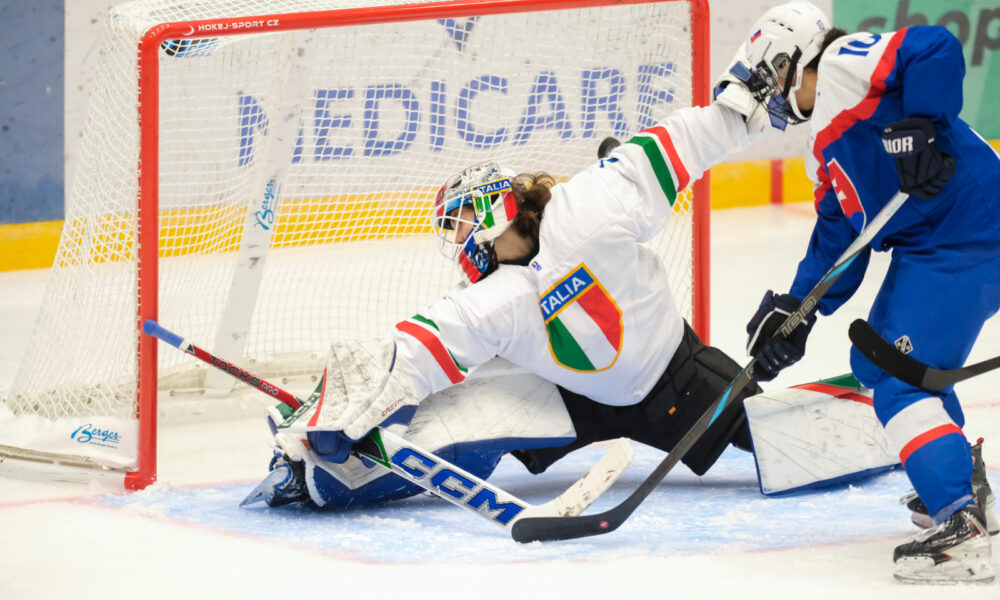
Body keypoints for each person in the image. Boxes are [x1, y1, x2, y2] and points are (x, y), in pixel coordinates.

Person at [240, 95, 781, 513]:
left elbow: (678, 143)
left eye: (459, 225)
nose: (457, 242)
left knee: (775, 437)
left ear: (493, 209)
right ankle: (307, 476)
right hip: (572, 396)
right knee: (449, 432)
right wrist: (339, 413)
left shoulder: (589, 208)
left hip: (675, 376)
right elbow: (415, 351)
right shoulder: (489, 301)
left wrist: (747, 104)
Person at [729, 0, 1000, 584]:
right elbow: (840, 238)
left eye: (772, 74)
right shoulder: (822, 150)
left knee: (901, 380)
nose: (770, 92)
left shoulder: (843, 64)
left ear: (793, 60)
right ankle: (965, 485)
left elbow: (935, 47)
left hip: (972, 230)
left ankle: (962, 526)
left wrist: (922, 124)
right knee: (878, 363)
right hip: (935, 244)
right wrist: (796, 310)